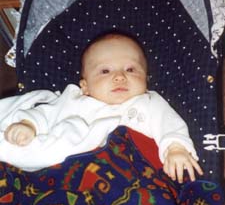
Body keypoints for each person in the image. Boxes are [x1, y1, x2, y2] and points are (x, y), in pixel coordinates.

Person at [1, 32, 203, 182]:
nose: (119, 76)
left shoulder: (148, 103)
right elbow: (47, 113)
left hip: (136, 178)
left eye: (130, 69)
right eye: (105, 71)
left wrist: (176, 148)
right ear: (85, 86)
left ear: (146, 80)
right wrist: (29, 124)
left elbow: (169, 124)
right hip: (75, 176)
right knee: (33, 150)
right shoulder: (75, 101)